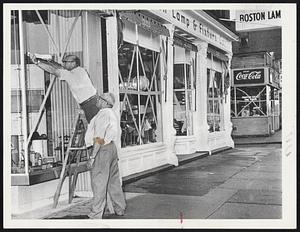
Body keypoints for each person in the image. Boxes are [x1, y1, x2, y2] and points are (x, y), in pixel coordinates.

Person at [84, 92, 126, 219]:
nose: (97, 100)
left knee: (99, 182)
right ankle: (120, 208)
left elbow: (99, 138)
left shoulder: (103, 114)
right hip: (112, 148)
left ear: (105, 102)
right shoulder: (112, 114)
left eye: (100, 98)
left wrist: (92, 157)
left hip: (102, 149)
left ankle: (96, 213)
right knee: (113, 181)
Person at [29, 53, 99, 123]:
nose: (63, 63)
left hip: (90, 105)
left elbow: (53, 71)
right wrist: (50, 61)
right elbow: (60, 67)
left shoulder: (70, 74)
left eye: (66, 62)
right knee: (95, 126)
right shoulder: (80, 70)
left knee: (95, 127)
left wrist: (37, 62)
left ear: (73, 63)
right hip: (91, 102)